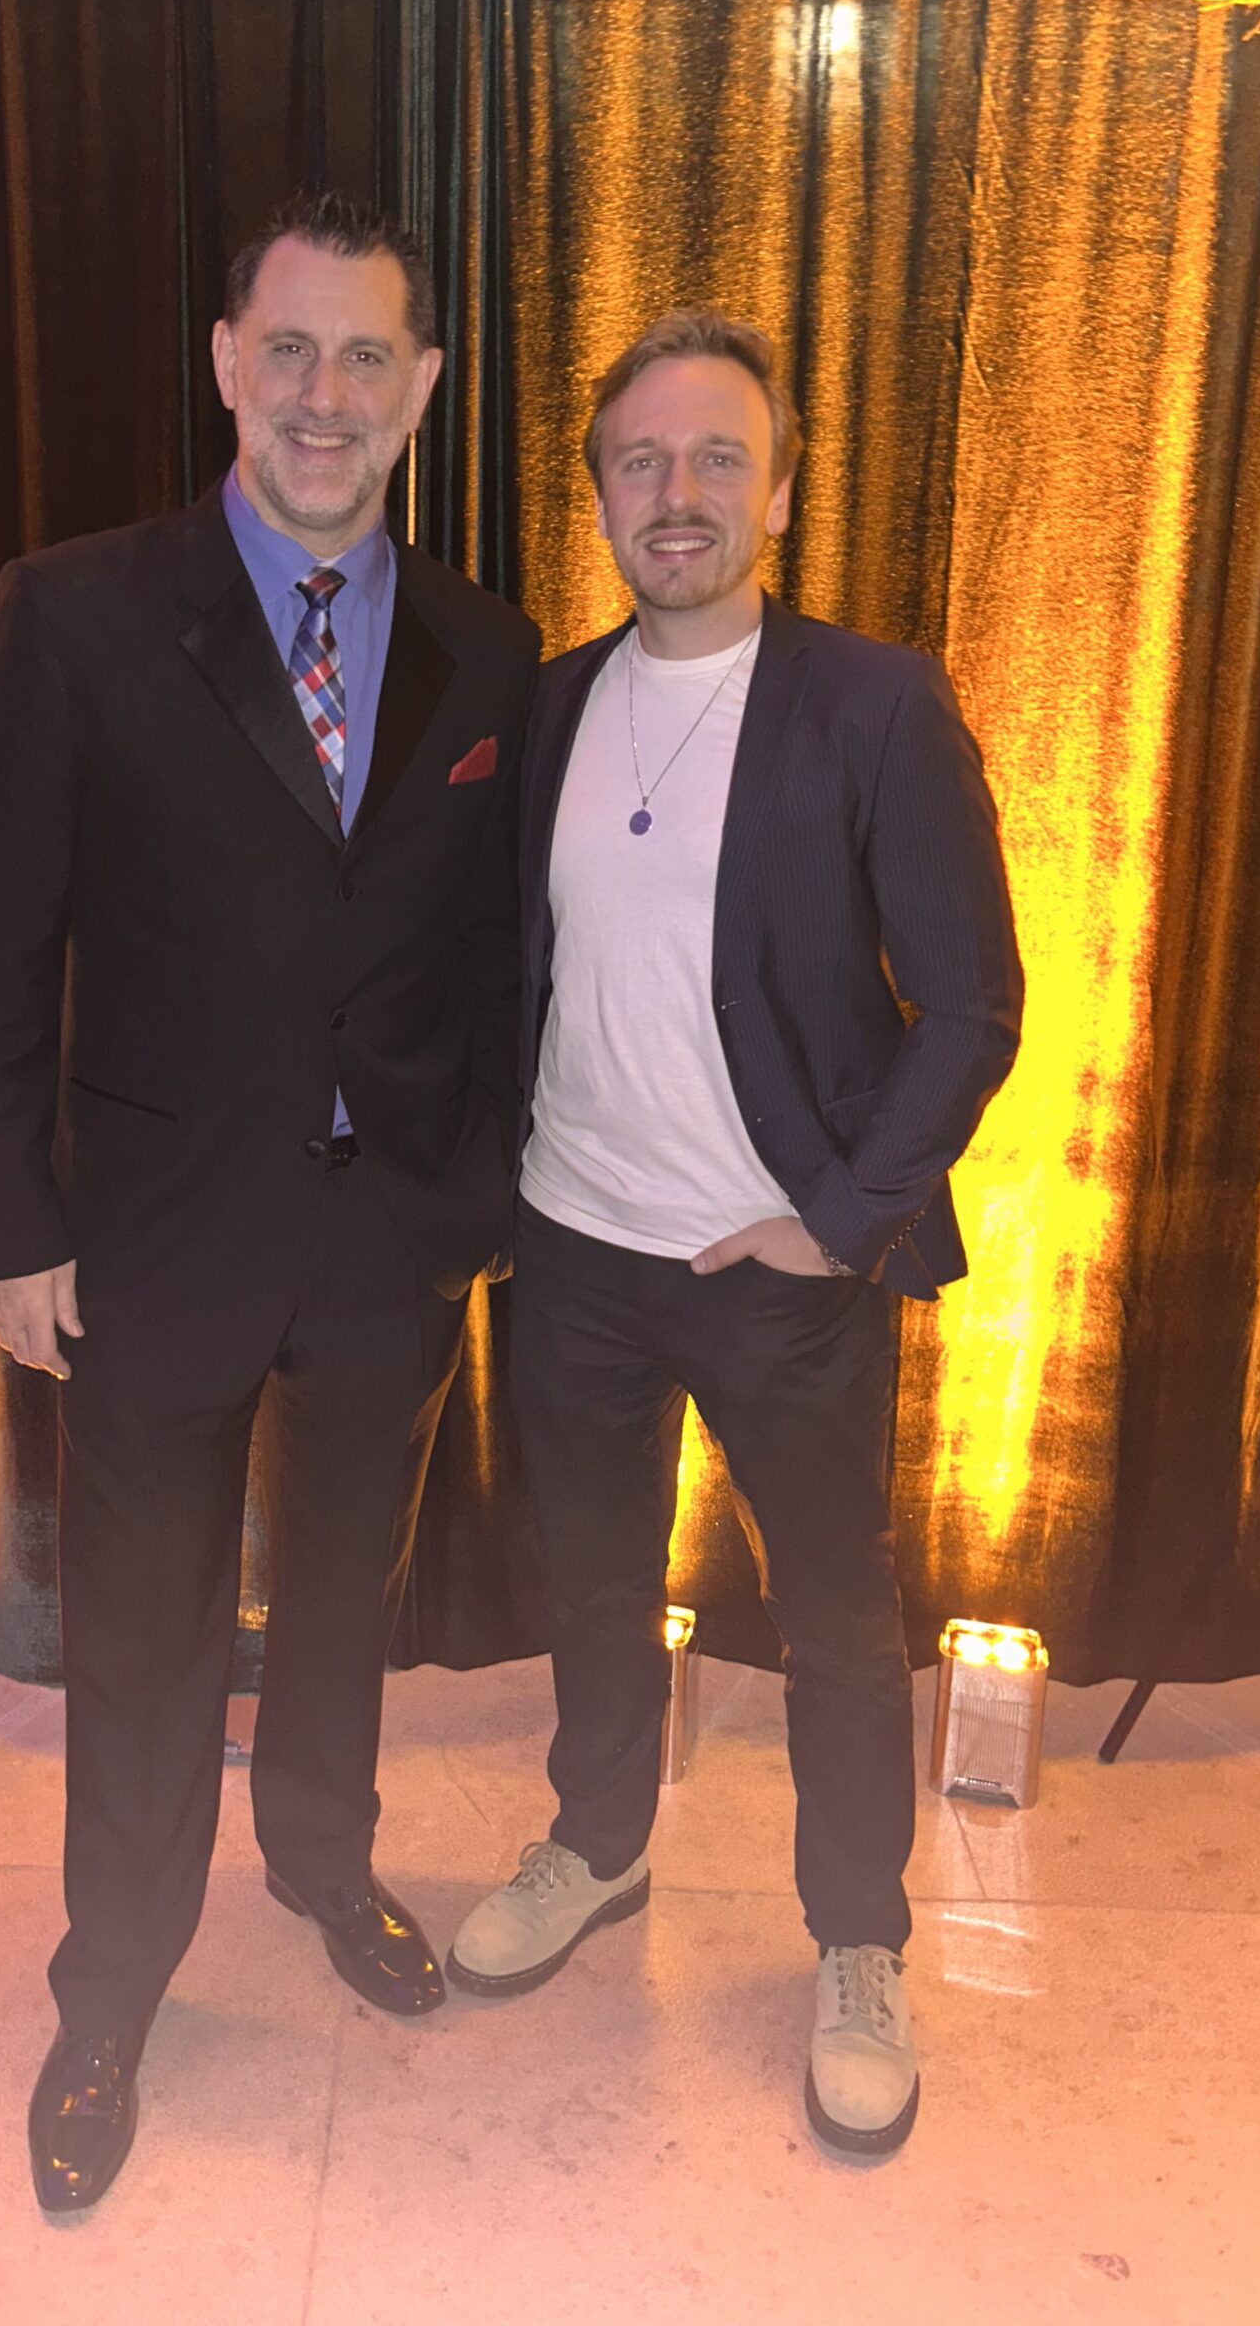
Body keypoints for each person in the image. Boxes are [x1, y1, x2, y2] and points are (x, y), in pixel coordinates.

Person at [0, 191, 539, 2214]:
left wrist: (479, 1196)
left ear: (424, 386)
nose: (326, 395)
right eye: (291, 350)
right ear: (224, 362)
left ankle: (324, 1853)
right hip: (156, 1240)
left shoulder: (486, 643)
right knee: (147, 1631)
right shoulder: (81, 610)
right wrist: (5, 1221)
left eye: (368, 356)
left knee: (345, 1589)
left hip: (388, 1249)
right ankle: (111, 1990)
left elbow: (493, 952)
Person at [447, 309, 1022, 2158]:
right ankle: (599, 1846)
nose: (675, 494)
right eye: (641, 462)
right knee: (598, 1588)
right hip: (575, 1255)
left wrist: (840, 1222)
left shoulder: (871, 703)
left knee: (842, 1626)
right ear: (601, 492)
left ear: (777, 491)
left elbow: (977, 1002)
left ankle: (858, 1940)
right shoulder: (545, 707)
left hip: (778, 1276)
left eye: (716, 461)